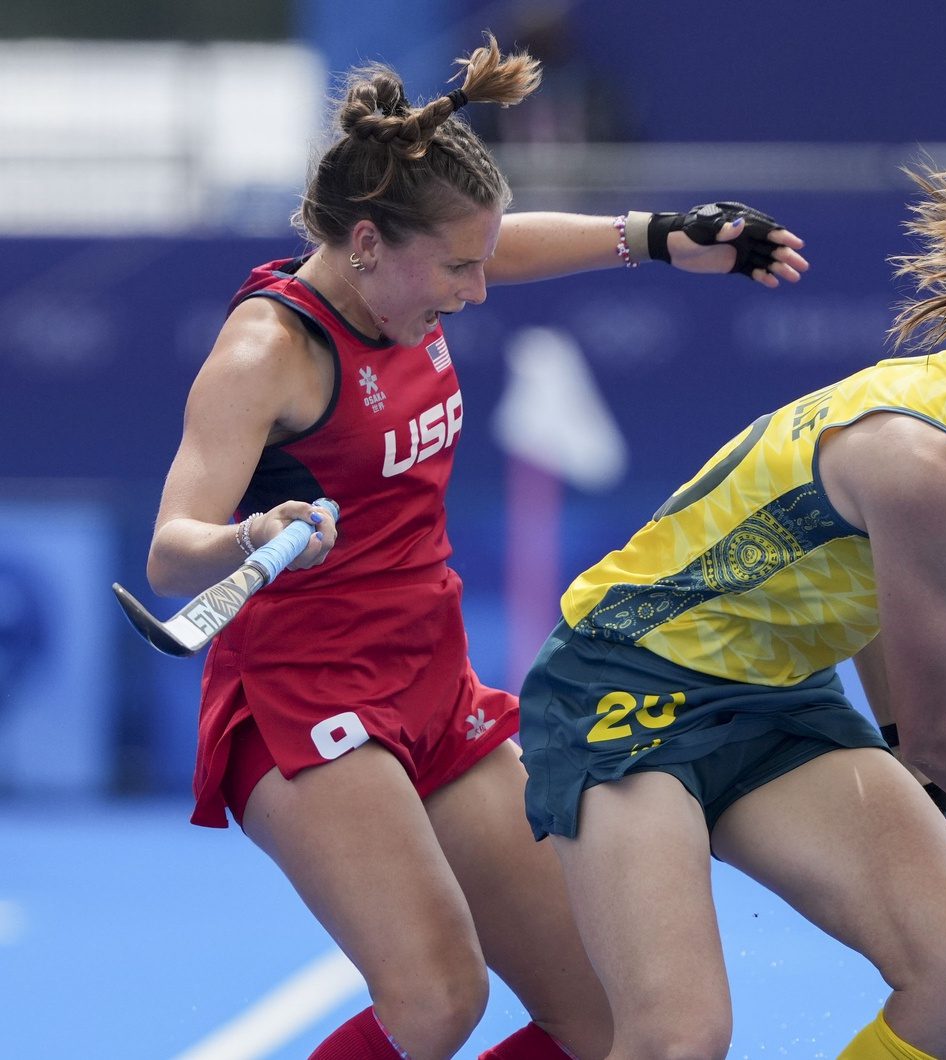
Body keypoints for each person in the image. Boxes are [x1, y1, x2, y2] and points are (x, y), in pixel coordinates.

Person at [143, 33, 810, 1060]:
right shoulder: (266, 352)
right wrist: (254, 530)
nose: (478, 287)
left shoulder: (414, 279)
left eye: (480, 258)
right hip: (304, 697)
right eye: (458, 266)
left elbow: (505, 244)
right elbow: (170, 553)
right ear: (366, 242)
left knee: (604, 1019)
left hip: (431, 682)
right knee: (435, 999)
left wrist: (664, 235)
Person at [518, 167, 946, 1059]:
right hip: (626, 687)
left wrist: (896, 737)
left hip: (773, 699)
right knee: (677, 1038)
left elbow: (882, 602)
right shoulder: (922, 459)